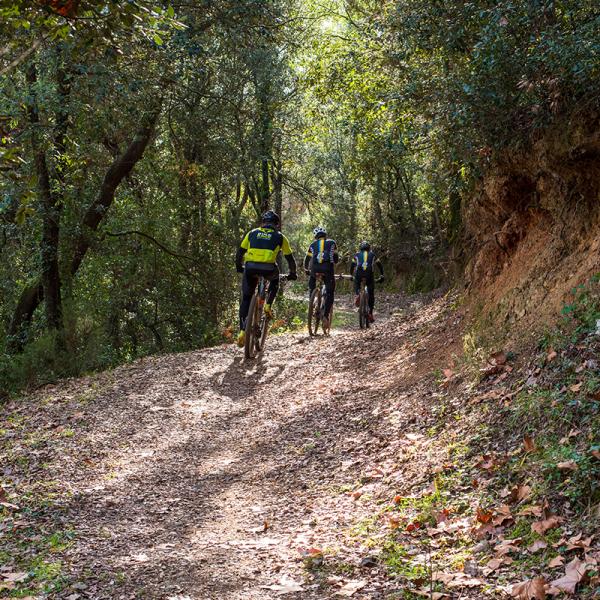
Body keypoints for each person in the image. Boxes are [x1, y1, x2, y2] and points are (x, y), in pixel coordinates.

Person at [235, 210, 297, 347]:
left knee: (246, 298)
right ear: (276, 224)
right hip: (268, 269)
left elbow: (240, 252)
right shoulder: (280, 237)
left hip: (250, 268)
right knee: (275, 280)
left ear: (263, 223)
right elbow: (290, 259)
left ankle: (242, 331)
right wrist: (293, 273)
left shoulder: (252, 233)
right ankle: (268, 304)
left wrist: (239, 267)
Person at [304, 226, 338, 329]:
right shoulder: (332, 243)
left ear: (316, 237)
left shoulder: (312, 245)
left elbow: (307, 259)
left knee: (311, 285)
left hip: (315, 269)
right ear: (325, 235)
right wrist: (334, 261)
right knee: (330, 292)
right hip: (328, 269)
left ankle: (312, 302)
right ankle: (326, 316)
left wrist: (306, 269)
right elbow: (336, 259)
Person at [350, 241, 384, 322]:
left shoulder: (356, 255)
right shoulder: (373, 255)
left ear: (360, 248)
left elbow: (352, 266)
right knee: (371, 293)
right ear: (369, 248)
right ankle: (371, 313)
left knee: (357, 283)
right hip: (369, 275)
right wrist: (382, 275)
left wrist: (351, 275)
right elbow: (379, 265)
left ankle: (358, 294)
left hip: (359, 274)